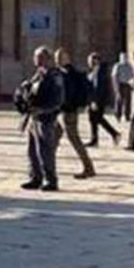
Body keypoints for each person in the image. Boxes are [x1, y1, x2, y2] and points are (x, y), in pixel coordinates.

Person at [16, 46, 65, 191]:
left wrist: (44, 110)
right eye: (35, 57)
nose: (36, 60)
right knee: (32, 151)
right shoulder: (38, 74)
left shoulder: (54, 76)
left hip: (46, 119)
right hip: (34, 118)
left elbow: (58, 100)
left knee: (45, 151)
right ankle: (35, 178)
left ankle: (51, 180)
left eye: (39, 57)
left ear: (47, 59)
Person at [57, 49, 97, 179]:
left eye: (60, 58)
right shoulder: (66, 72)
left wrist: (66, 106)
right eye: (57, 58)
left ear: (66, 59)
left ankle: (88, 167)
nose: (57, 60)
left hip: (68, 112)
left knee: (74, 139)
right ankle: (46, 167)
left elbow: (67, 94)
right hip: (63, 112)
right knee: (53, 139)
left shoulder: (68, 74)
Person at [85, 53, 120, 147]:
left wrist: (96, 101)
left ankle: (114, 134)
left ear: (96, 60)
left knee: (98, 118)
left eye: (91, 61)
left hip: (99, 100)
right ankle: (94, 140)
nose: (89, 63)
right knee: (92, 119)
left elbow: (100, 88)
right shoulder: (92, 71)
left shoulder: (102, 72)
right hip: (92, 100)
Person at [113, 52, 134, 122]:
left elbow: (132, 75)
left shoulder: (129, 66)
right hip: (120, 84)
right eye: (123, 57)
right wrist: (116, 88)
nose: (124, 59)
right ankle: (117, 115)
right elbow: (114, 77)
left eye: (125, 57)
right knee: (119, 100)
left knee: (128, 101)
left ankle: (127, 115)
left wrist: (132, 85)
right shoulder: (117, 66)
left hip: (127, 84)